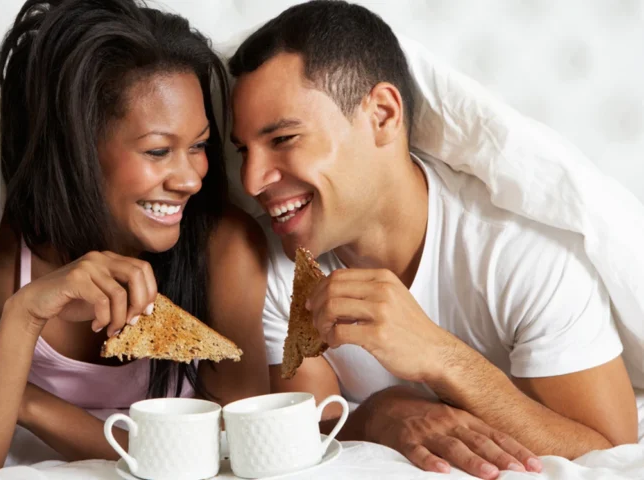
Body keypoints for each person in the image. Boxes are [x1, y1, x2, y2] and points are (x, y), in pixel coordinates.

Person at [228, 1, 638, 479]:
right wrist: (380, 414)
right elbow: (311, 426)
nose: (253, 181)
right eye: (243, 150)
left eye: (283, 139)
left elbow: (611, 450)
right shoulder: (277, 268)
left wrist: (441, 357)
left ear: (382, 115)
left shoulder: (519, 252)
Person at [0, 1, 270, 478]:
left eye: (200, 146)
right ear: (76, 150)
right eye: (159, 150)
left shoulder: (225, 247)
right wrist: (26, 314)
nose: (190, 178)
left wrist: (30, 402)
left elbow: (241, 450)